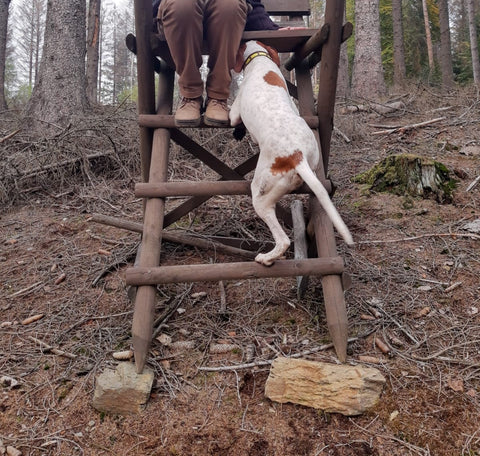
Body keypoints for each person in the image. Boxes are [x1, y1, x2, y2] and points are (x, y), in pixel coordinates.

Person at [153, 0, 279, 127]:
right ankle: (190, 94)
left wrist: (270, 27)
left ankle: (218, 96)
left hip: (225, 16)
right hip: (177, 15)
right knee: (181, 5)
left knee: (230, 5)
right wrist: (149, 18)